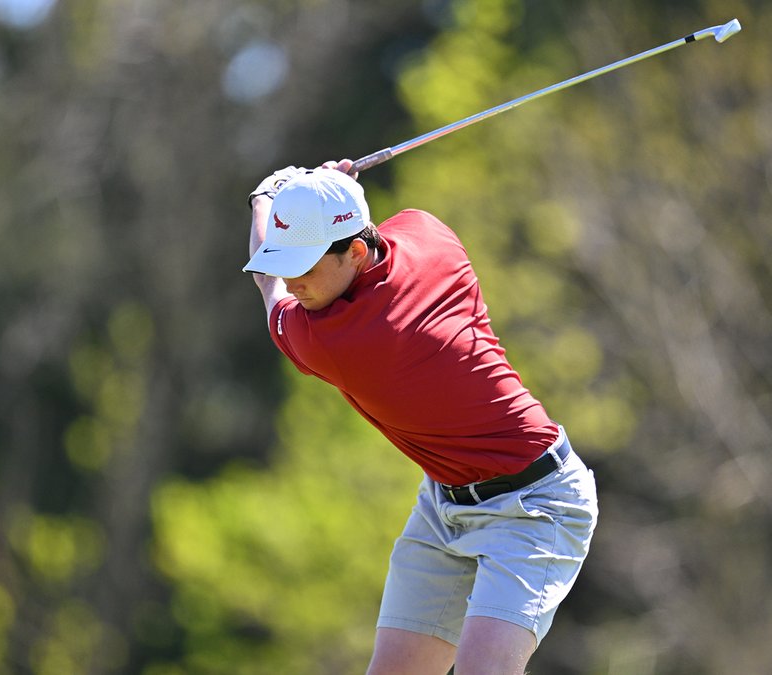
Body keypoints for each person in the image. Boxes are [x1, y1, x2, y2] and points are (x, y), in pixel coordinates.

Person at [243, 159, 599, 675]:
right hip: (443, 504)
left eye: (305, 265)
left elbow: (267, 287)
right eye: (288, 261)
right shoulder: (427, 232)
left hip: (535, 505)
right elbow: (367, 239)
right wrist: (324, 197)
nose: (292, 279)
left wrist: (266, 196)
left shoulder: (333, 340)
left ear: (357, 251)